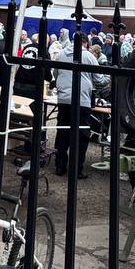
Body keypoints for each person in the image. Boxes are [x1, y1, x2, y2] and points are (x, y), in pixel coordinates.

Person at [54, 34, 99, 178]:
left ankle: (60, 166)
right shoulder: (89, 57)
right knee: (81, 136)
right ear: (85, 43)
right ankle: (76, 169)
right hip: (82, 100)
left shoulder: (61, 54)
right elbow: (99, 78)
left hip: (64, 99)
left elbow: (56, 73)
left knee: (62, 132)